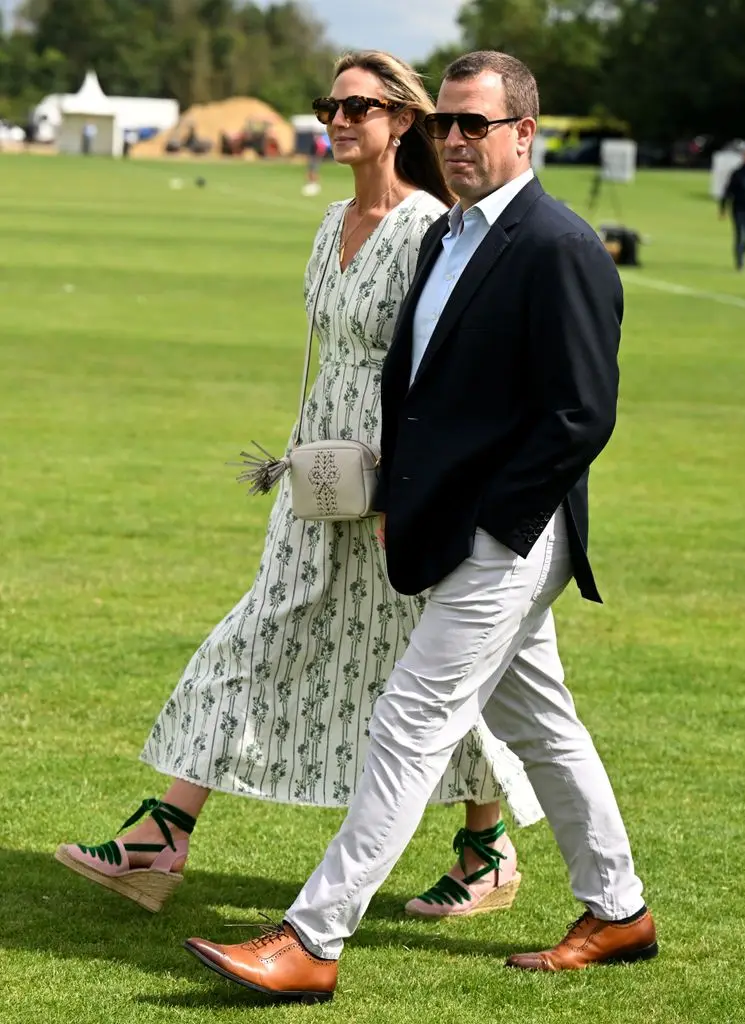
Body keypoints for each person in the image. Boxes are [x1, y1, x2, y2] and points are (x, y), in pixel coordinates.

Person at [184, 50, 656, 1004]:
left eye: (475, 125)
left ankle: (314, 937)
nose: (456, 141)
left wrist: (498, 526)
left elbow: (580, 415)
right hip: (449, 525)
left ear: (525, 133)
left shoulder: (559, 245)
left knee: (409, 720)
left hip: (511, 535)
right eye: (446, 124)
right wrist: (402, 503)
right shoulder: (448, 238)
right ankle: (619, 910)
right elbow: (413, 384)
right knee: (544, 725)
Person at [55, 50, 543, 917]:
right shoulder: (328, 223)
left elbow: (436, 368)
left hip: (395, 488)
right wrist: (296, 460)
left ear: (401, 120)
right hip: (315, 479)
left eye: (358, 106)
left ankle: (487, 846)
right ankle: (162, 834)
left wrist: (409, 490)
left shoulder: (431, 229)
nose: (339, 120)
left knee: (427, 667)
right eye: (330, 106)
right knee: (254, 636)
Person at [302, 131, 330, 196]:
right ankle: (310, 182)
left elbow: (321, 150)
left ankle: (314, 183)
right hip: (313, 158)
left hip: (315, 158)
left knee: (314, 171)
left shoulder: (319, 142)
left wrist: (318, 156)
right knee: (310, 170)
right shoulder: (316, 142)